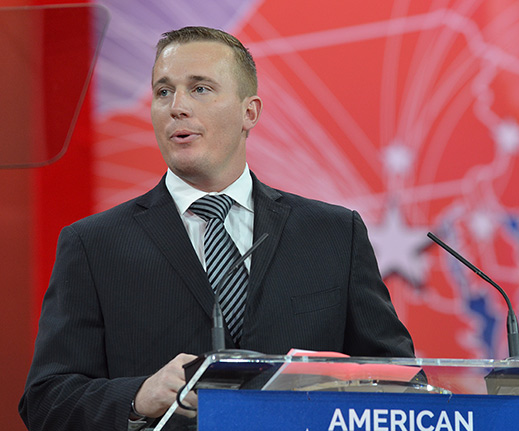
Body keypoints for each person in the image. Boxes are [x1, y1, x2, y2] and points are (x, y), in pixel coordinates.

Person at [19, 26, 414, 431]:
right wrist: (139, 396)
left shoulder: (333, 234)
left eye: (200, 89)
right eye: (163, 91)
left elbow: (400, 379)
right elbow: (47, 400)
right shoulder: (93, 245)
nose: (177, 107)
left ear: (250, 112)